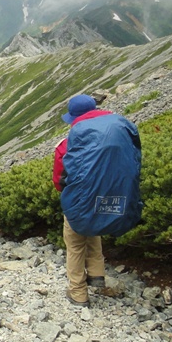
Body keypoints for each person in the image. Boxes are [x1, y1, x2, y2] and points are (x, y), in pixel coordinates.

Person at [52, 94, 109, 307]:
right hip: (105, 198)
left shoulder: (66, 145)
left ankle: (78, 292)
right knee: (93, 231)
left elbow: (59, 180)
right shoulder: (110, 137)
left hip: (78, 202)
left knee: (75, 244)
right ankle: (97, 273)